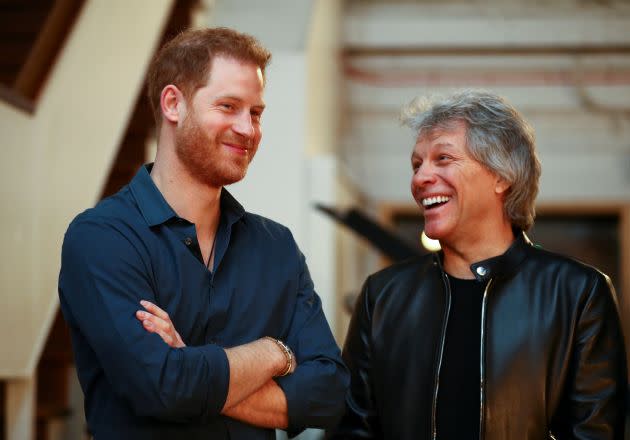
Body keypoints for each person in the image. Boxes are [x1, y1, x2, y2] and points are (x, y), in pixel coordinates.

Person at [58, 27, 348, 440]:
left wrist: (190, 366)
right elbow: (163, 389)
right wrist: (274, 353)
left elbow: (329, 393)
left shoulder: (275, 246)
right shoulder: (102, 238)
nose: (248, 129)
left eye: (256, 112)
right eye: (228, 106)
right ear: (174, 104)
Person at [328, 90, 627, 439]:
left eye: (442, 158)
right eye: (416, 164)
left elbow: (597, 433)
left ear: (502, 176)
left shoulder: (579, 294)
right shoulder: (383, 296)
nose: (420, 178)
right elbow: (351, 431)